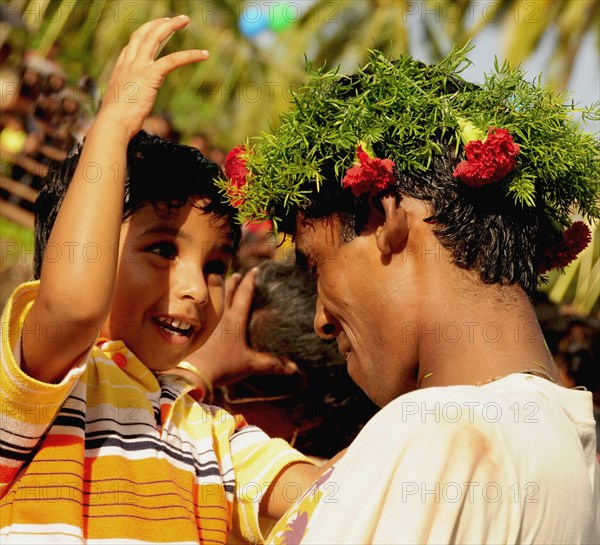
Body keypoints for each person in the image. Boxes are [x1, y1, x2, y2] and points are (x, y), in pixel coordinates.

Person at [218, 48, 600, 543]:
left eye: (316, 265)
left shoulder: (433, 432)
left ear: (384, 219)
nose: (321, 321)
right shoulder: (567, 439)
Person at [0, 17, 320, 544]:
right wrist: (111, 127)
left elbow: (322, 493)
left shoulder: (213, 432)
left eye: (216, 266)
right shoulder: (42, 382)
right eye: (162, 250)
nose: (196, 287)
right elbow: (75, 308)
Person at [179, 259, 379, 460]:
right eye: (190, 352)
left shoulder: (309, 484)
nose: (200, 395)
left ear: (305, 414)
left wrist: (194, 370)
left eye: (227, 385)